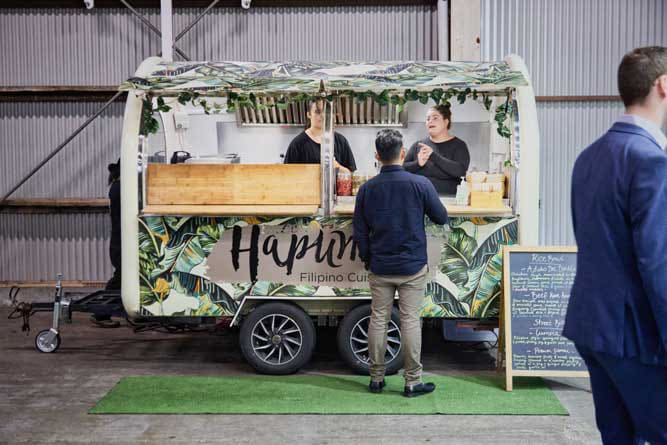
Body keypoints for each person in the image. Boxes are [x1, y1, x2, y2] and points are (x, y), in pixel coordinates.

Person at [564, 46, 667, 444]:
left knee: (618, 436)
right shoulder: (650, 159)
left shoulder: (588, 157)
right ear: (662, 85)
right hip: (636, 335)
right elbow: (657, 262)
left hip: (593, 326)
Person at [353, 129, 448, 397]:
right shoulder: (420, 184)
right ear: (403, 153)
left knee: (378, 319)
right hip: (412, 266)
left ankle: (376, 379)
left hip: (380, 266)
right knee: (410, 321)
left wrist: (368, 258)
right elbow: (441, 217)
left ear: (377, 156)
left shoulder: (366, 189)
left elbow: (359, 230)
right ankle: (412, 382)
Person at [404, 104, 470, 195]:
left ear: (446, 122)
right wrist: (417, 164)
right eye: (428, 119)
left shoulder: (459, 145)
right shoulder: (418, 145)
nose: (430, 121)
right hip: (419, 198)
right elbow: (402, 169)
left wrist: (433, 156)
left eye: (435, 118)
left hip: (449, 199)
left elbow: (461, 172)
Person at [284, 99, 357, 172]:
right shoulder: (298, 144)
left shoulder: (341, 141)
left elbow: (351, 174)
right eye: (318, 112)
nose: (322, 115)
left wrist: (337, 166)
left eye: (326, 112)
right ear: (309, 114)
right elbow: (286, 174)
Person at [90, 159, 121, 328]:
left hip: (120, 241)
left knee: (125, 276)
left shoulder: (117, 186)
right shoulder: (120, 188)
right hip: (121, 243)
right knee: (121, 277)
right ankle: (101, 312)